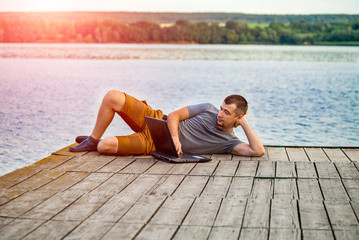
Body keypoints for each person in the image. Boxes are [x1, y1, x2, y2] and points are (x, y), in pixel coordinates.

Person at [69, 90, 265, 157]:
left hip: (152, 143)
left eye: (227, 112)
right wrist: (175, 138)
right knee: (112, 96)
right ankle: (92, 139)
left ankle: (98, 142)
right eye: (222, 108)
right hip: (155, 119)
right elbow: (173, 116)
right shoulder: (207, 108)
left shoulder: (229, 143)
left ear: (238, 118)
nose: (220, 114)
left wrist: (245, 123)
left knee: (106, 147)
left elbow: (258, 151)